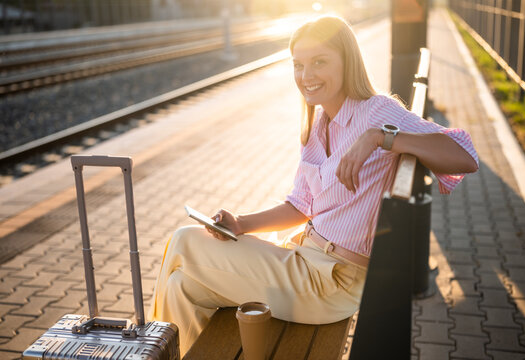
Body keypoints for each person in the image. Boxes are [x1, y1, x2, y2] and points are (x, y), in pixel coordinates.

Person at [147, 15, 478, 357]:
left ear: (346, 61)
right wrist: (241, 224)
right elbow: (299, 205)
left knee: (184, 240)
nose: (306, 76)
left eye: (319, 62)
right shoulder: (317, 124)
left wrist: (381, 138)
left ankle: (149, 350)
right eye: (298, 65)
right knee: (180, 286)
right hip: (305, 261)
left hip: (331, 284)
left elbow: (465, 156)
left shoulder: (375, 112)